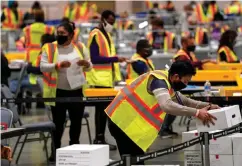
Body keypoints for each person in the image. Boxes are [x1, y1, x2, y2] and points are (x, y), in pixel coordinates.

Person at [106, 61, 219, 164]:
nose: (185, 84)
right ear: (176, 76)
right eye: (185, 81)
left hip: (130, 125)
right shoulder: (158, 81)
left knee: (135, 160)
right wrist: (197, 112)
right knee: (132, 161)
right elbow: (166, 105)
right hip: (121, 122)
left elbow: (185, 101)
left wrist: (208, 106)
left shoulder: (168, 83)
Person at [40, 22, 92, 162]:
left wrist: (86, 64)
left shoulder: (81, 47)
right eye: (58, 33)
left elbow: (89, 66)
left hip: (77, 91)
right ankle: (55, 150)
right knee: (58, 124)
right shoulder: (49, 48)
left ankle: (74, 149)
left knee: (76, 123)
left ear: (71, 35)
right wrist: (57, 65)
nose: (59, 36)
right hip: (58, 92)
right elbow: (43, 67)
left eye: (63, 33)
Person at [86, 10, 127, 150]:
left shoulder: (107, 35)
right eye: (109, 22)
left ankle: (101, 138)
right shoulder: (95, 34)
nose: (111, 24)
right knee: (100, 111)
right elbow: (95, 58)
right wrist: (116, 59)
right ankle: (99, 139)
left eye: (113, 22)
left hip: (107, 80)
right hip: (98, 80)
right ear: (102, 19)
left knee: (104, 112)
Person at [22, 9, 55, 85]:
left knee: (31, 78)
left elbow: (24, 44)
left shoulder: (27, 29)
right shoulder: (50, 29)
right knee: (44, 79)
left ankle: (32, 92)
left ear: (34, 17)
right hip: (45, 56)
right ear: (43, 17)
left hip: (30, 57)